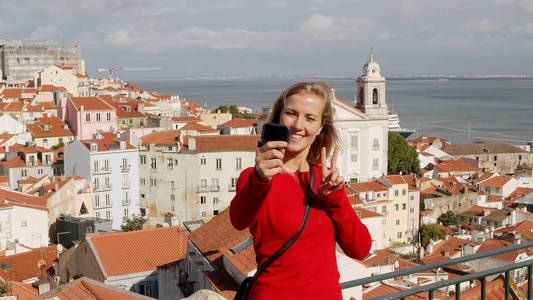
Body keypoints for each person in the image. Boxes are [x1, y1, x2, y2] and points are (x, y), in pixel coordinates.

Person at [230, 81, 372, 299]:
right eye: (291, 113)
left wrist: (336, 198)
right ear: (279, 117)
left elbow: (360, 249)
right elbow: (239, 220)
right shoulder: (255, 176)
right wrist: (259, 178)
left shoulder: (324, 181)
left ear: (321, 127)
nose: (298, 125)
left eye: (310, 118)